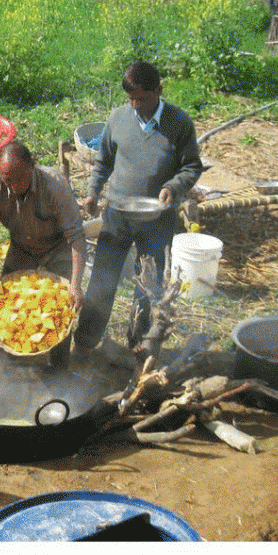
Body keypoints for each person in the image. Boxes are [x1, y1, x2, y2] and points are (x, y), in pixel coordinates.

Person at [74, 61, 203, 359]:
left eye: (142, 99)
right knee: (102, 280)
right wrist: (93, 192)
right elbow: (104, 161)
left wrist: (174, 185)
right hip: (118, 213)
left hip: (156, 218)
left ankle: (139, 346)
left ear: (158, 91)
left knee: (148, 285)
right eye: (131, 99)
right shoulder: (118, 118)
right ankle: (85, 342)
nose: (135, 105)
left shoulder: (178, 122)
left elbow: (192, 165)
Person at [0, 140, 86, 313]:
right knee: (9, 306)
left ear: (32, 166)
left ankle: (62, 340)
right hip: (21, 249)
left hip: (57, 249)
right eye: (8, 181)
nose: (15, 187)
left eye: (20, 179)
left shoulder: (54, 185)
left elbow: (76, 237)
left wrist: (76, 285)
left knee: (58, 308)